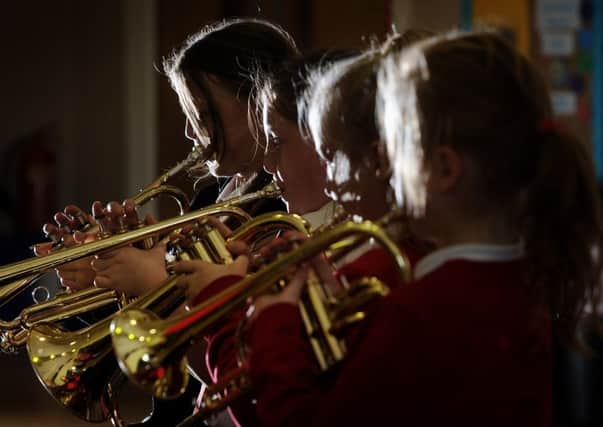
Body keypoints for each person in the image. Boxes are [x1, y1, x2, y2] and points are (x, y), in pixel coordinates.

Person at [245, 31, 603, 426]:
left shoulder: (417, 312)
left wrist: (273, 325)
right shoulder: (526, 280)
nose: (389, 169)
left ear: (445, 170)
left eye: (398, 148)